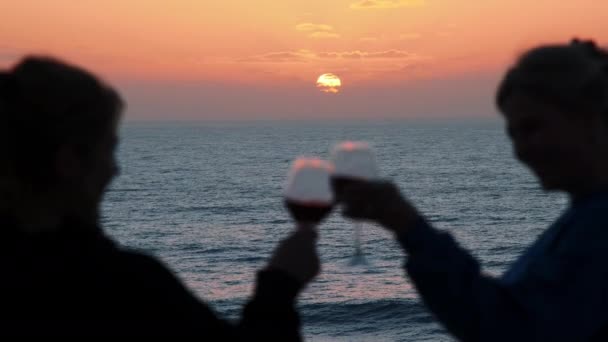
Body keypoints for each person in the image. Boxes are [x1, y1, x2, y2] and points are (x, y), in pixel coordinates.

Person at [0, 56, 320, 339]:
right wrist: (280, 286)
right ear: (68, 161)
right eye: (108, 150)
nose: (115, 170)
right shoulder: (118, 287)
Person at [337, 39, 608, 341]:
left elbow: (505, 330)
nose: (521, 150)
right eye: (513, 134)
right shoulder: (583, 216)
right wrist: (405, 224)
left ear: (591, 116)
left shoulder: (598, 225)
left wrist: (411, 229)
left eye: (533, 128)